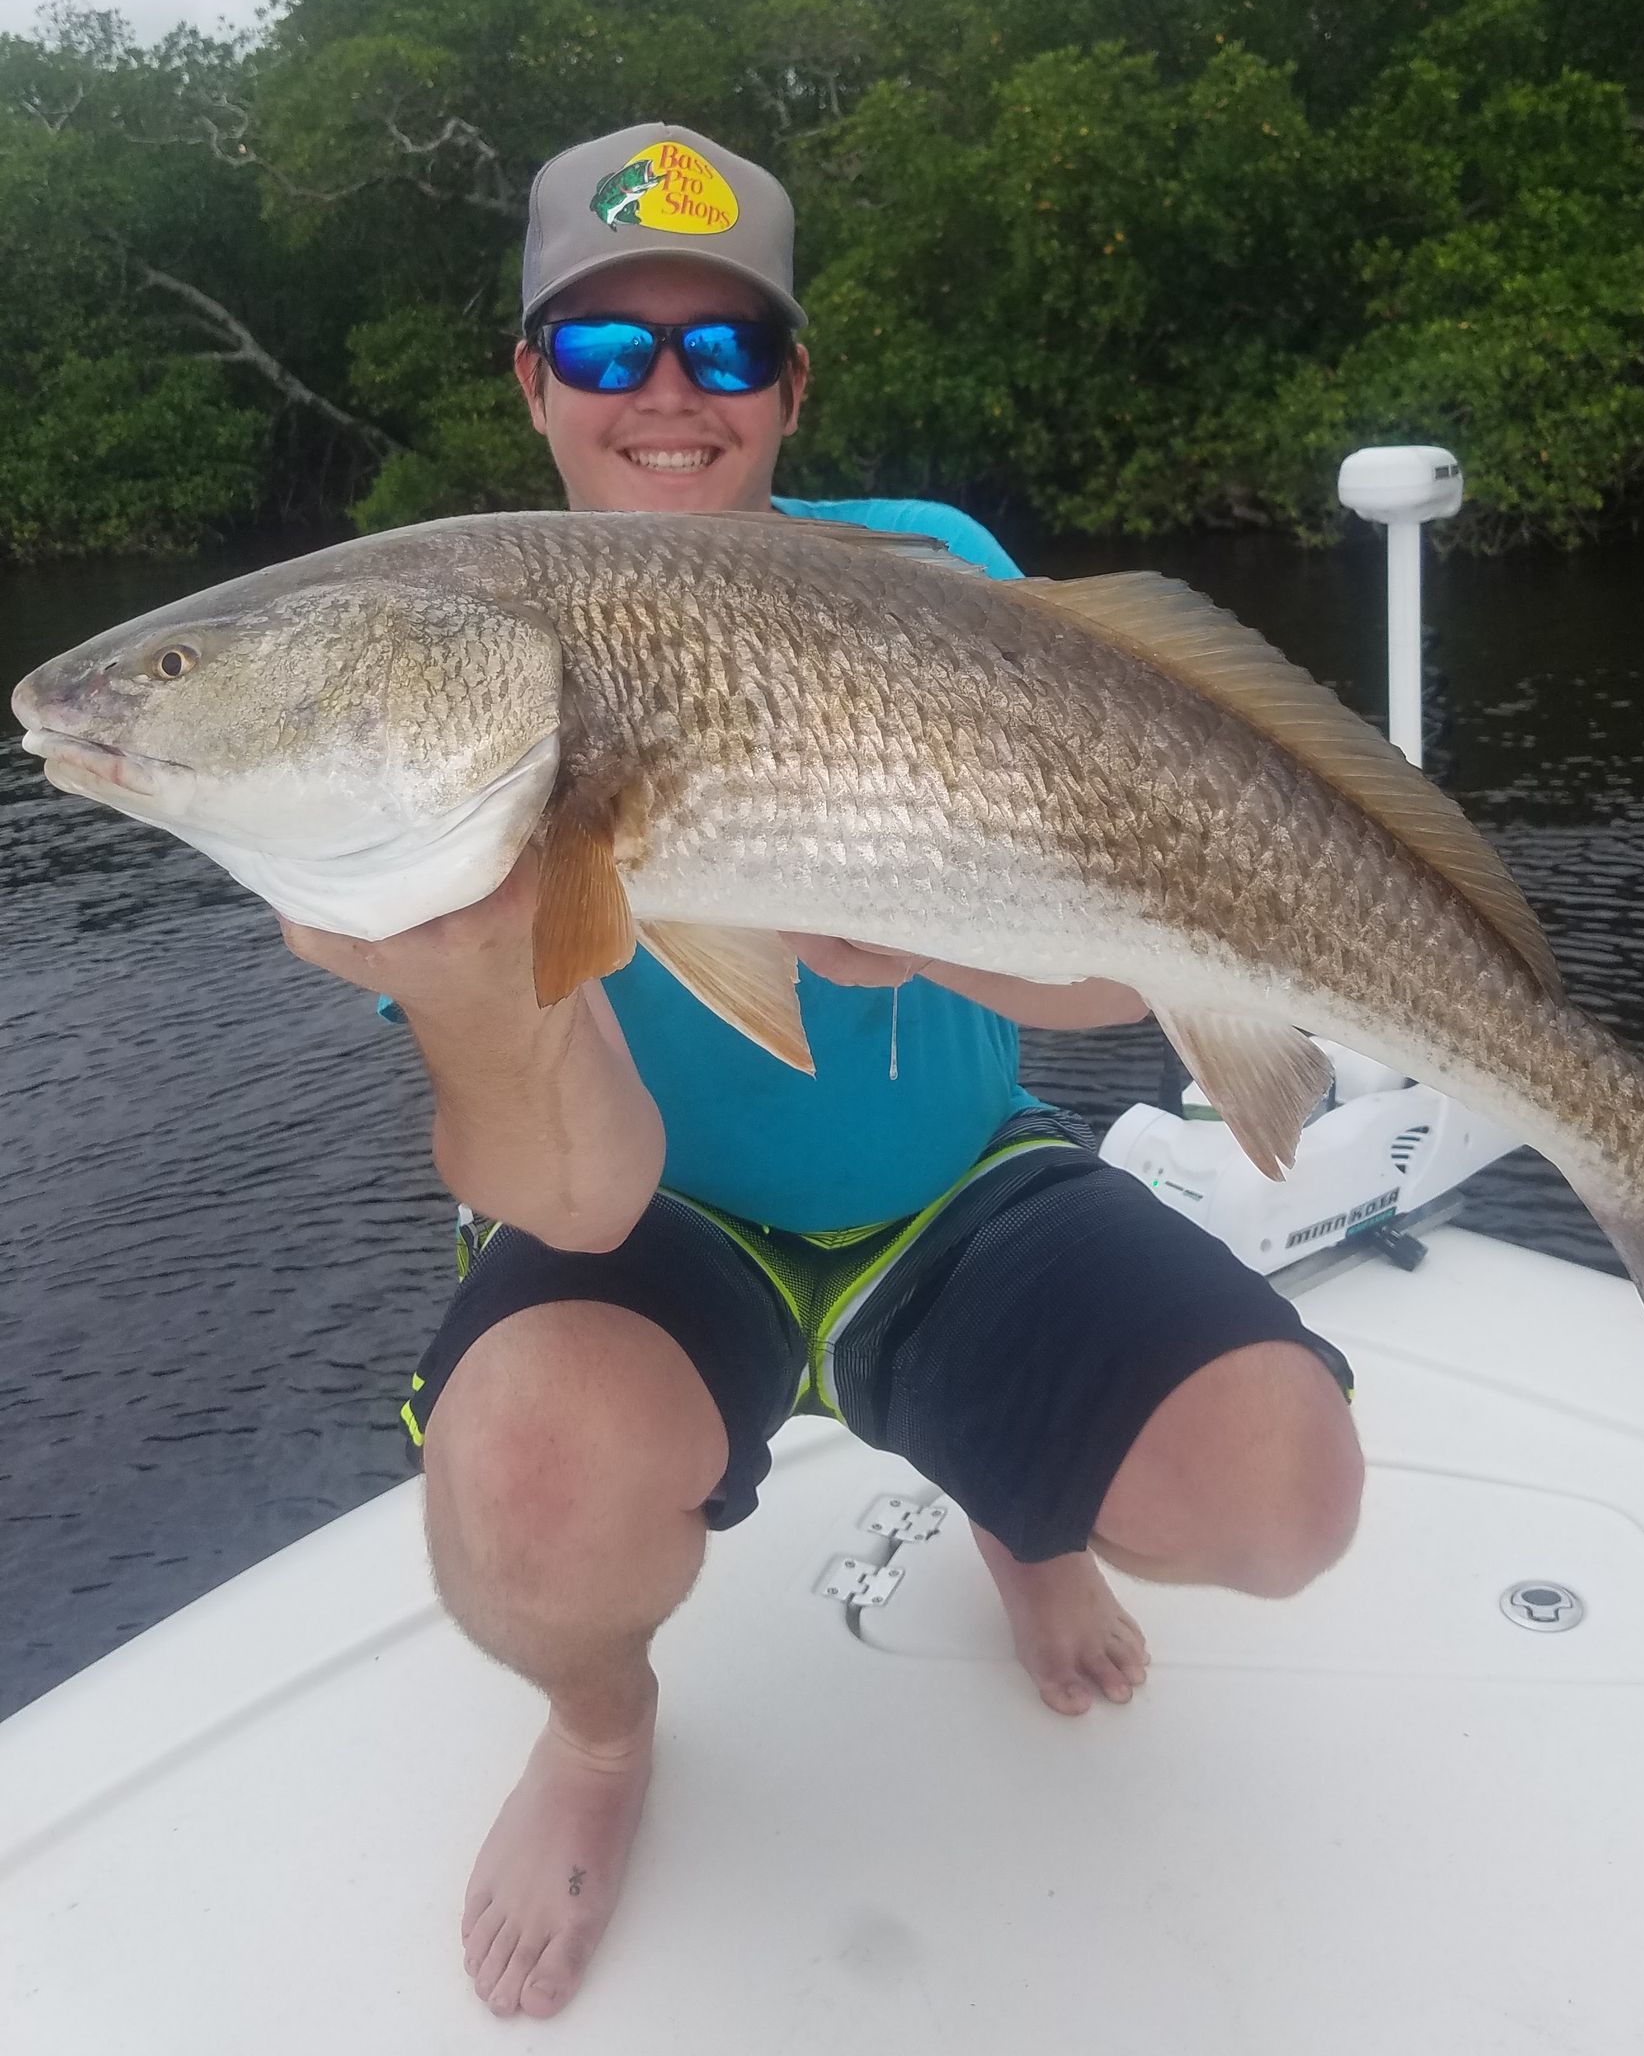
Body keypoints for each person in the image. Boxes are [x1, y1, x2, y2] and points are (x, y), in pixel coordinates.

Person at [280, 122, 1364, 2023]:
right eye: (611, 353)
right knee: (525, 1498)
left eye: (723, 348)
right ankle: (603, 1739)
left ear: (792, 386)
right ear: (536, 385)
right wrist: (470, 986)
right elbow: (581, 1200)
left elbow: (1118, 983)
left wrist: (924, 935)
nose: (670, 396)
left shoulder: (923, 572)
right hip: (663, 1227)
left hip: (954, 1188)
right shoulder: (435, 725)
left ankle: (1011, 1501)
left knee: (1281, 1499)